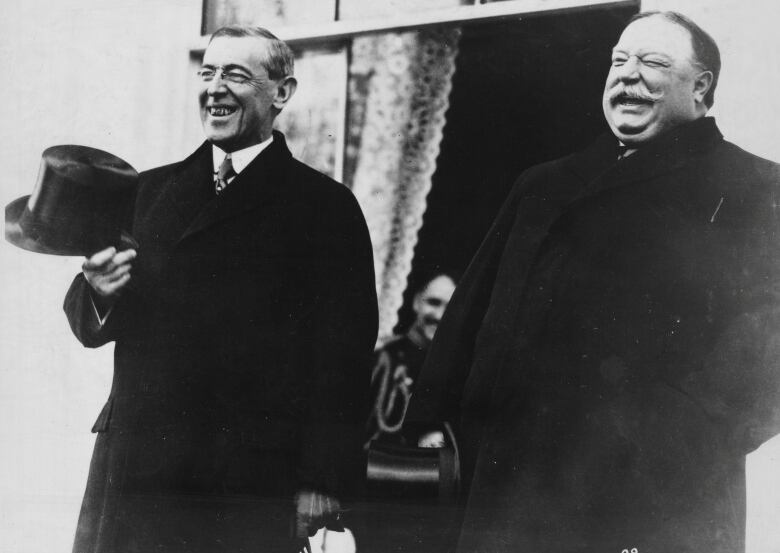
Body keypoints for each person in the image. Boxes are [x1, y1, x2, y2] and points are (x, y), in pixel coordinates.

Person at [407, 11, 780, 553]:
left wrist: (675, 439)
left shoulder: (754, 188)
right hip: (513, 490)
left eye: (652, 63)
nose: (627, 76)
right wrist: (432, 419)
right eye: (618, 61)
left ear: (701, 88)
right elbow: (471, 312)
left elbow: (769, 354)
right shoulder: (544, 185)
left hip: (656, 501)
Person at [63, 26, 377, 553]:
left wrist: (321, 478)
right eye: (207, 73)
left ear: (282, 92)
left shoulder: (325, 208)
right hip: (138, 467)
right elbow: (90, 319)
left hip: (245, 479)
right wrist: (98, 290)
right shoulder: (148, 192)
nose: (215, 88)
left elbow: (342, 357)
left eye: (235, 74)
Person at [365, 272, 456, 446]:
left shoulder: (454, 368)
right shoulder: (383, 357)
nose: (439, 315)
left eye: (450, 308)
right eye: (433, 303)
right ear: (416, 302)